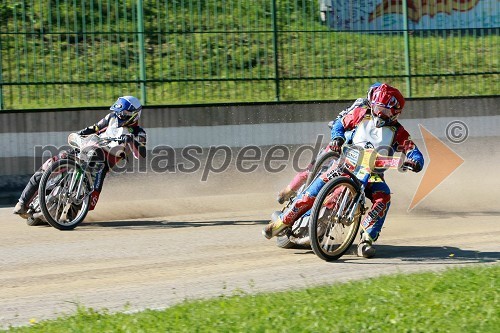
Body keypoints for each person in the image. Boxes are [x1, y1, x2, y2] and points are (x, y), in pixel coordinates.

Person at [264, 83, 424, 258]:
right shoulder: (361, 114)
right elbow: (339, 125)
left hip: (373, 176)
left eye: (384, 111)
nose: (379, 113)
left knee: (383, 197)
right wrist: (337, 138)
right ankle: (280, 223)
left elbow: (413, 151)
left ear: (395, 112)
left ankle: (366, 239)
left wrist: (414, 161)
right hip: (345, 166)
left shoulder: (399, 132)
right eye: (377, 108)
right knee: (312, 192)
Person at [13, 96, 147, 218]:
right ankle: (22, 202)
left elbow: (141, 154)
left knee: (92, 197)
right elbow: (95, 128)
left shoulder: (139, 132)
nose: (119, 115)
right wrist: (80, 133)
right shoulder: (111, 117)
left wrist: (131, 140)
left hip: (102, 162)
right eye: (119, 112)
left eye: (123, 113)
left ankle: (70, 213)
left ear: (134, 115)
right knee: (50, 164)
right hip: (88, 148)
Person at [277, 82, 381, 204]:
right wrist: (338, 133)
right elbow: (341, 118)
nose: (378, 102)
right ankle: (288, 190)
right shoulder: (360, 104)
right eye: (376, 97)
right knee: (313, 168)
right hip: (343, 142)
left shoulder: (385, 117)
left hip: (361, 153)